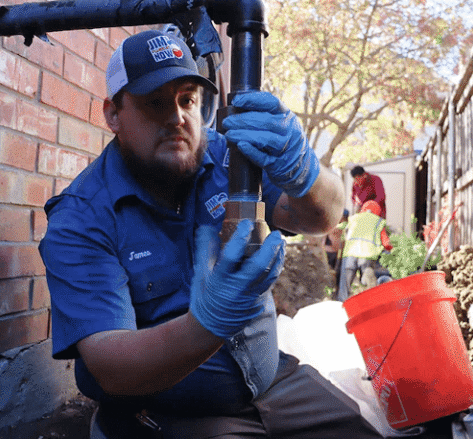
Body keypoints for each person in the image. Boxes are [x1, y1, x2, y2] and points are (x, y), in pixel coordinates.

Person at [38, 29, 383, 438]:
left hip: (273, 385)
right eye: (155, 103)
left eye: (187, 100)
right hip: (169, 412)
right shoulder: (82, 217)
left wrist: (303, 169)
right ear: (113, 114)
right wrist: (205, 324)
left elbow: (321, 218)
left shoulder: (230, 157)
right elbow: (110, 366)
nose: (177, 117)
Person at [337, 200, 393, 301]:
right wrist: (391, 250)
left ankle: (342, 304)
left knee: (345, 286)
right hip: (367, 256)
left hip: (350, 254)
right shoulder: (378, 221)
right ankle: (366, 304)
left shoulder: (353, 218)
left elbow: (342, 231)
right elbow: (386, 243)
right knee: (367, 285)